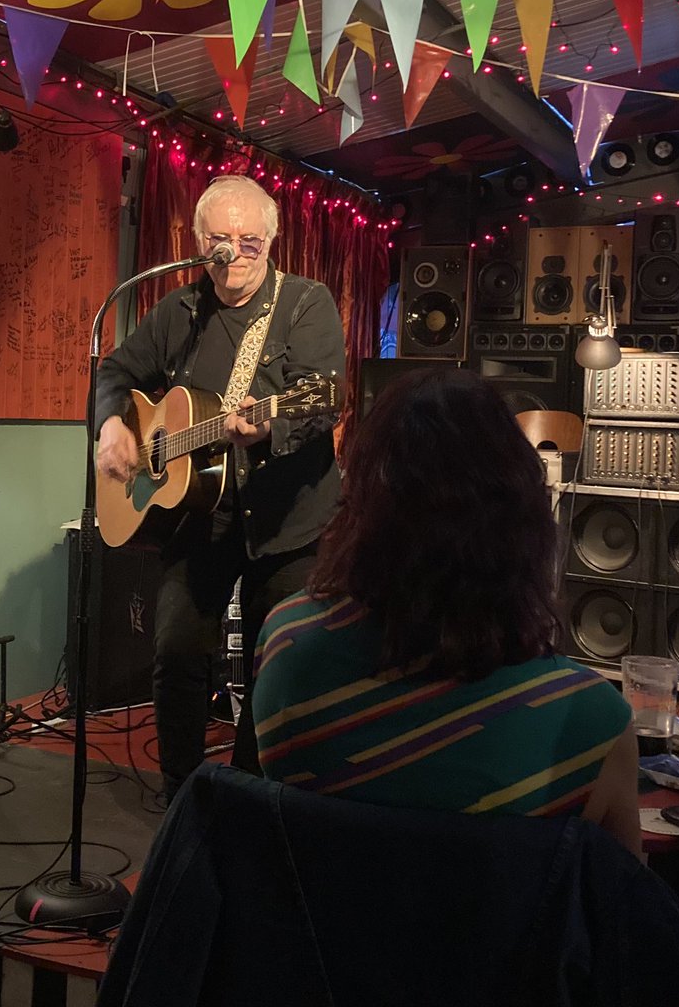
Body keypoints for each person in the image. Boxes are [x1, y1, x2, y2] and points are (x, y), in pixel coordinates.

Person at [252, 367, 642, 857]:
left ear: (360, 501)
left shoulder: (286, 644)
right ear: (522, 519)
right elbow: (619, 896)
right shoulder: (592, 722)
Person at [95, 175, 346, 801]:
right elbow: (116, 370)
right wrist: (111, 426)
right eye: (220, 241)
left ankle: (247, 793)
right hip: (198, 515)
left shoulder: (305, 303)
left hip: (288, 518)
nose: (233, 253)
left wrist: (269, 426)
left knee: (274, 662)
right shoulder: (179, 311)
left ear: (271, 241)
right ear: (199, 242)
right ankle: (183, 793)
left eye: (249, 241)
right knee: (178, 651)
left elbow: (321, 402)